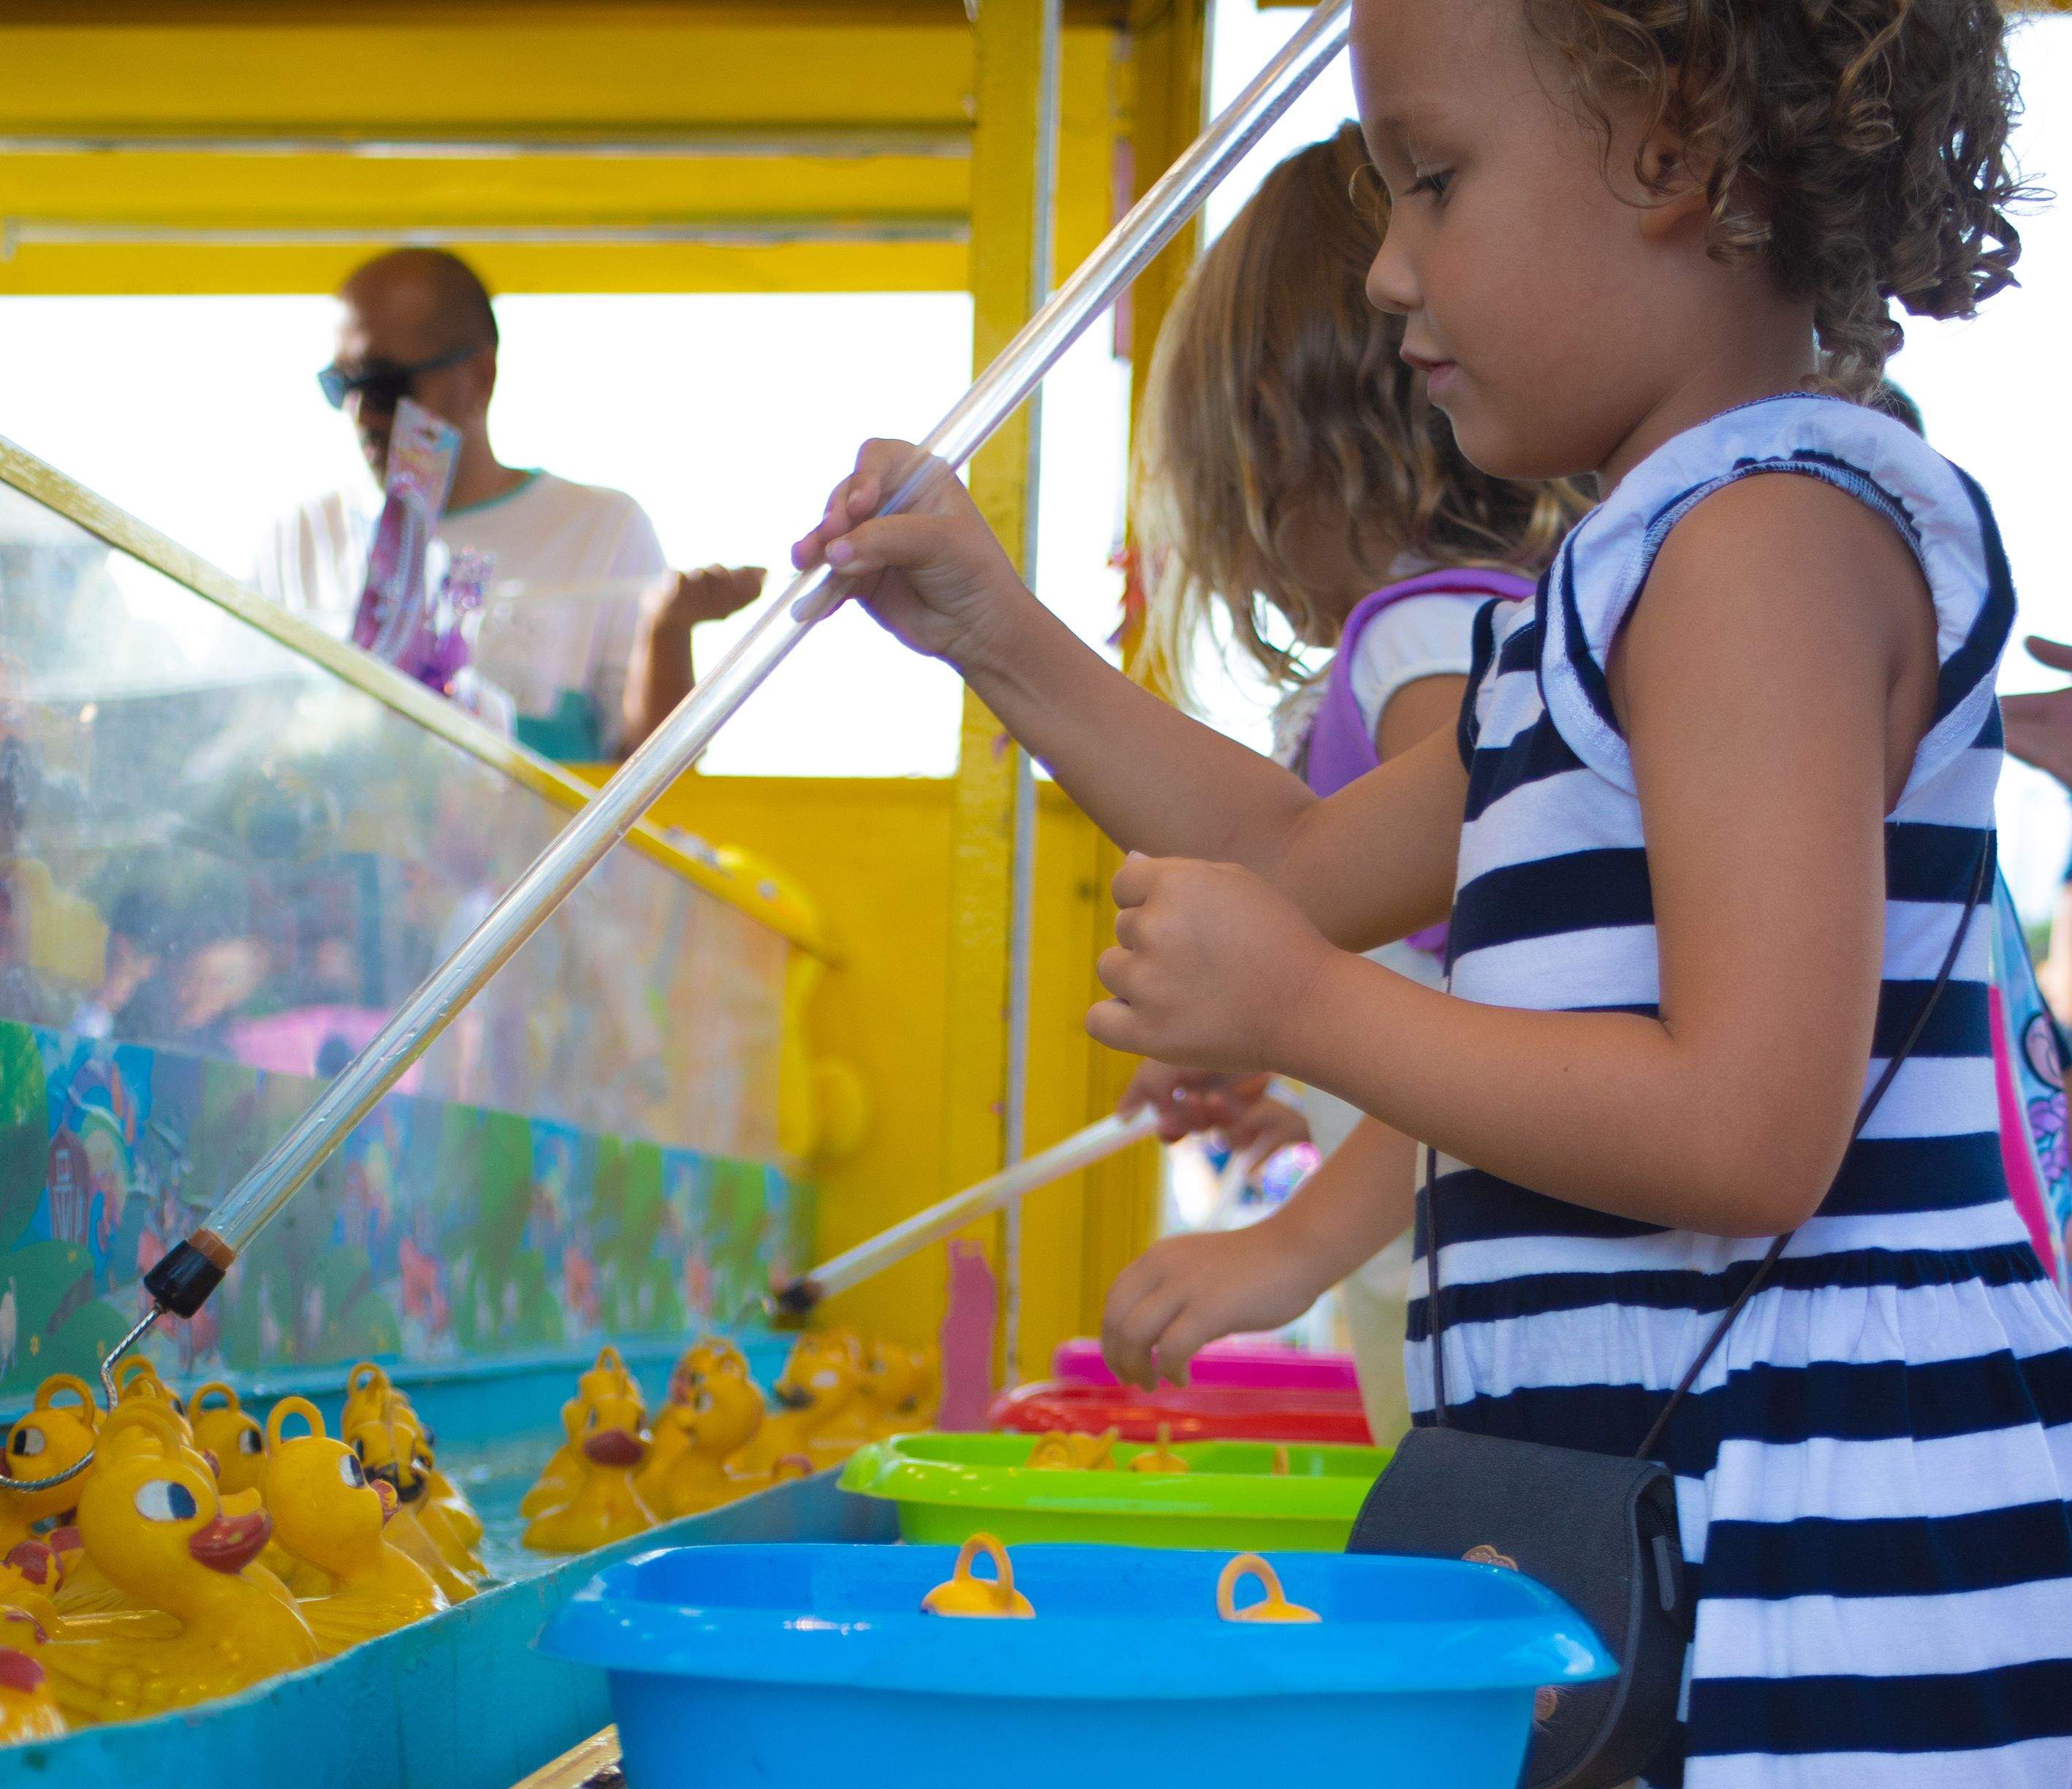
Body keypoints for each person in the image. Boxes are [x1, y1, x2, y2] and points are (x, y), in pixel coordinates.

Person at [794, 0, 2072, 1779]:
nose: (1389, 271)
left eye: (1435, 183)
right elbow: (1292, 858)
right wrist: (987, 628)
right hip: (1705, 1535)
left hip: (1819, 1575)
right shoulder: (1620, 584)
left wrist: (1308, 1008)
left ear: (1681, 150)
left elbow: (1745, 1126)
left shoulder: (1761, 546)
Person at [1116, 123, 1580, 1443]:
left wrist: (1294, 1241)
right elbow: (1419, 1013)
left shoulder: (1420, 643)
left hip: (1480, 1308)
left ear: (1279, 439)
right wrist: (1289, 1075)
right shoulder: (1475, 631)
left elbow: (1507, 1003)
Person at [253, 248, 760, 758]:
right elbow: (245, 739)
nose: (361, 414)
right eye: (340, 386)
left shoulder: (600, 528)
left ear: (480, 377)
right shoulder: (300, 539)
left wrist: (668, 633)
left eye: (384, 386)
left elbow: (654, 775)